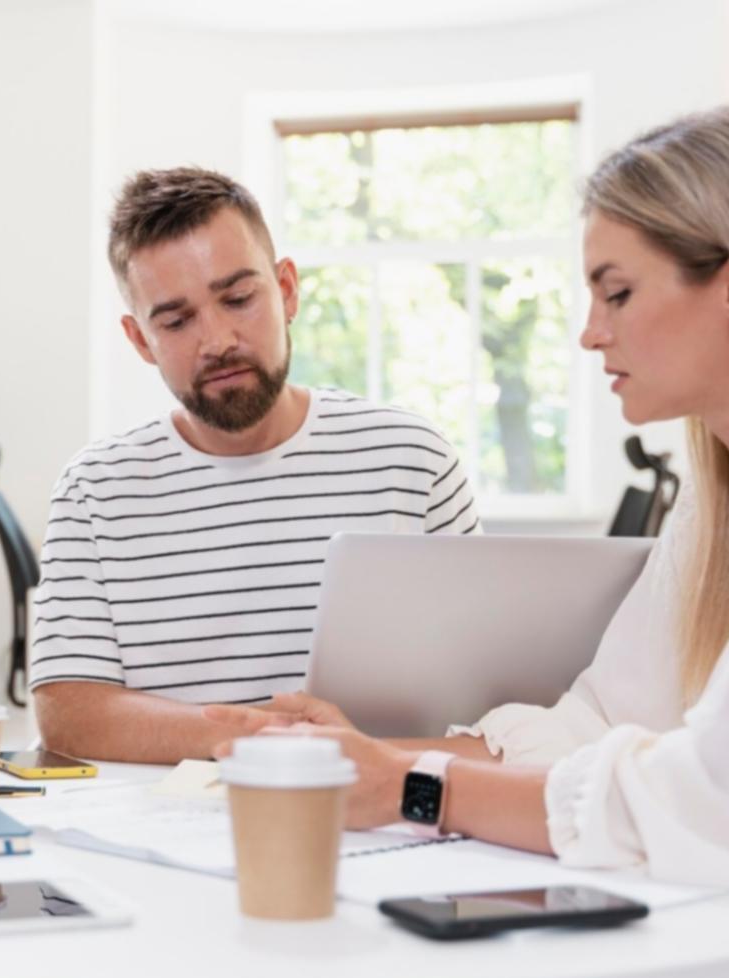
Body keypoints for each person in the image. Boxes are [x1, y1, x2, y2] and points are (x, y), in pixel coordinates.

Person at [212, 106, 729, 978]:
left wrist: (417, 788)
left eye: (618, 294)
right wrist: (361, 757)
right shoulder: (723, 500)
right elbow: (598, 721)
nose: (589, 333)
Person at [29, 167, 481, 765]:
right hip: (165, 818)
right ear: (140, 341)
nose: (217, 341)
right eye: (176, 321)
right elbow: (67, 714)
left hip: (372, 808)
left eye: (238, 299)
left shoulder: (413, 460)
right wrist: (269, 741)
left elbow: (487, 697)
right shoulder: (95, 490)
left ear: (287, 290)